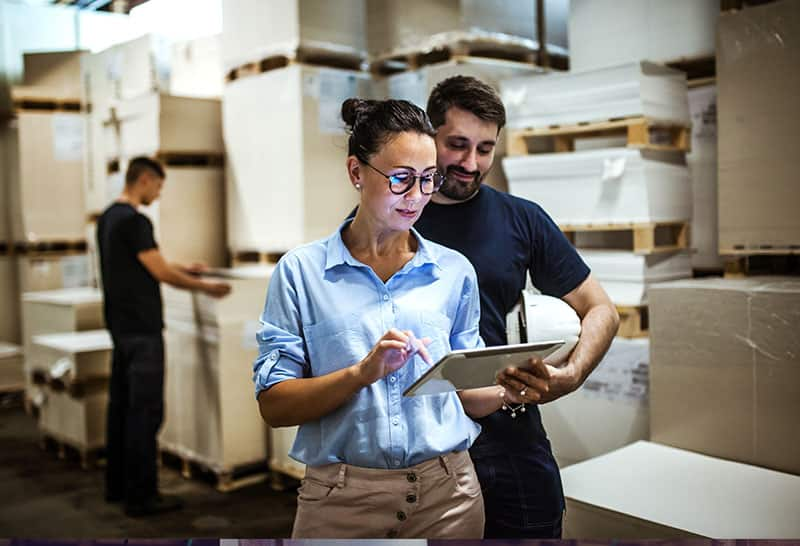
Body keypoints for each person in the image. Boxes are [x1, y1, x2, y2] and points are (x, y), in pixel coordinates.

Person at [253, 99, 519, 539]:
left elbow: (463, 394)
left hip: (449, 496)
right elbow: (274, 405)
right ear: (357, 172)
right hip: (342, 501)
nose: (417, 197)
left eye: (428, 179)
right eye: (401, 179)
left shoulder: (454, 272)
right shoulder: (301, 273)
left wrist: (510, 388)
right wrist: (361, 373)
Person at [412, 76, 620, 538]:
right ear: (430, 137)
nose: (471, 163)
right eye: (458, 145)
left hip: (507, 435)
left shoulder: (520, 218)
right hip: (418, 443)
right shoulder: (390, 219)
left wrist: (571, 375)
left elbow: (601, 309)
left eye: (485, 149)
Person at [97, 156, 231, 517]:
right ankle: (143, 497)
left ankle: (117, 486)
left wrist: (182, 267)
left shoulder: (110, 217)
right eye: (157, 185)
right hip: (143, 332)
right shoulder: (136, 221)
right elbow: (159, 272)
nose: (158, 192)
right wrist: (203, 286)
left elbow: (140, 264)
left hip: (121, 329)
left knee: (121, 408)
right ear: (144, 180)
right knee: (146, 412)